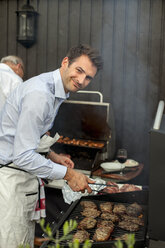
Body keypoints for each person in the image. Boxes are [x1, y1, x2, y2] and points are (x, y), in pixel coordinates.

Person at [0, 44, 103, 248]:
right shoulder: (41, 94)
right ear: (65, 62)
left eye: (88, 77)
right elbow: (22, 155)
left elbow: (26, 135)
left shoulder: (54, 88)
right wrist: (69, 174)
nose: (82, 81)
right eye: (79, 70)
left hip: (21, 178)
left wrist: (51, 155)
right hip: (13, 182)